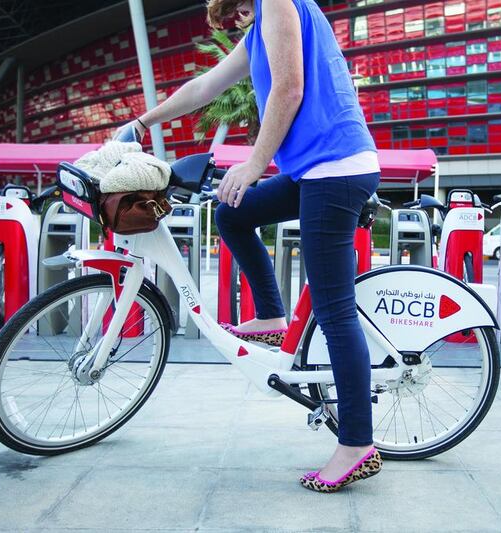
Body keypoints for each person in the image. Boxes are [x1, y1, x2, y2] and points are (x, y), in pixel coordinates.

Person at [119, 0, 381, 493]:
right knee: (232, 214)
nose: (236, 9)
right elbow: (205, 86)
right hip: (314, 171)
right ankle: (272, 316)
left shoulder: (280, 2)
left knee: (334, 309)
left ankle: (357, 444)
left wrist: (254, 163)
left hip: (336, 169)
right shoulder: (261, 25)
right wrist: (142, 121)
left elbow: (290, 87)